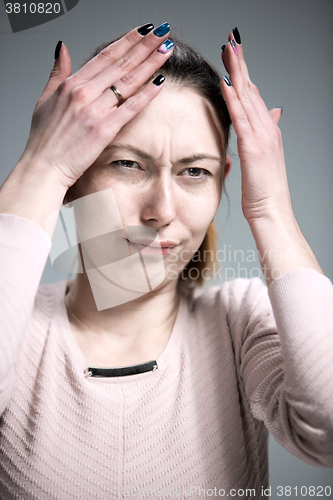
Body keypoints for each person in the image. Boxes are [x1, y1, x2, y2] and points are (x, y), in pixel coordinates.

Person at [0, 21, 332, 500]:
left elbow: (326, 430)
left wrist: (270, 208)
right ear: (74, 175)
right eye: (128, 163)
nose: (162, 211)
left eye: (195, 172)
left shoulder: (239, 324)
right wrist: (41, 166)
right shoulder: (20, 333)